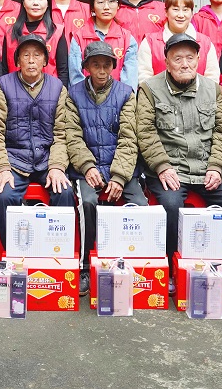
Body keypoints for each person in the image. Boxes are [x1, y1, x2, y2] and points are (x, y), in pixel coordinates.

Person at [137, 33, 222, 292]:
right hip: (169, 169)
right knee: (171, 206)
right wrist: (162, 166)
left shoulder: (212, 89)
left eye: (190, 58)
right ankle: (170, 270)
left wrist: (217, 166)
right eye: (177, 59)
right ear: (166, 62)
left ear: (198, 59)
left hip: (206, 168)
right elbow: (146, 133)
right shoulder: (150, 89)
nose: (185, 64)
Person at [64, 41, 145, 297]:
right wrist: (87, 167)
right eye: (95, 65)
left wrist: (119, 177)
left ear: (113, 66)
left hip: (120, 167)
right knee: (87, 202)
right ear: (86, 67)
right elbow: (72, 137)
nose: (101, 70)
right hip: (86, 168)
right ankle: (85, 267)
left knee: (140, 205)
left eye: (106, 65)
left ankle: (137, 265)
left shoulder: (125, 93)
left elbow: (129, 138)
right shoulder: (73, 94)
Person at [0, 34, 74, 248]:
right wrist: (2, 168)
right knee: (3, 196)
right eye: (25, 55)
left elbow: (62, 134)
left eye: (37, 55)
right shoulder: (1, 87)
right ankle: (13, 251)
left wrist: (57, 166)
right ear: (17, 61)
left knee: (65, 192)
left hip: (47, 160)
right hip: (14, 161)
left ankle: (56, 250)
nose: (31, 60)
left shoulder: (58, 88)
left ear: (45, 61)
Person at [138, 0, 219, 84]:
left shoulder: (205, 43)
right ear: (166, 12)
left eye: (185, 10)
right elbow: (144, 78)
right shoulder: (150, 42)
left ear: (192, 13)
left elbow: (212, 79)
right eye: (175, 9)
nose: (181, 15)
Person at [68, 0, 139, 90]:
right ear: (92, 7)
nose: (106, 7)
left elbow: (130, 79)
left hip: (118, 97)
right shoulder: (78, 37)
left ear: (118, 5)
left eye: (112, 1)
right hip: (85, 98)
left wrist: (121, 98)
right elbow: (76, 77)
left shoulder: (128, 38)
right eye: (100, 2)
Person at [3, 0, 69, 85]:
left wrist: (60, 93)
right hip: (14, 90)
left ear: (48, 3)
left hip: (49, 91)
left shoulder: (57, 32)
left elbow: (63, 71)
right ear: (23, 2)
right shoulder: (10, 32)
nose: (35, 3)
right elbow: (4, 68)